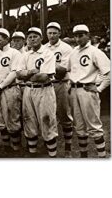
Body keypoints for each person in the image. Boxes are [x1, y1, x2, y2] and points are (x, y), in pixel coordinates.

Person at [68, 24, 110, 158]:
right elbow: (69, 70)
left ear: (88, 35)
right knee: (79, 127)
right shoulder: (73, 51)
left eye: (81, 35)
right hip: (74, 90)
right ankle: (83, 157)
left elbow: (108, 73)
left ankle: (102, 156)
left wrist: (98, 88)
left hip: (88, 90)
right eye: (76, 36)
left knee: (94, 126)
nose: (78, 39)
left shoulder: (95, 51)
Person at [17, 27, 58, 157]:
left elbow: (44, 77)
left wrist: (26, 74)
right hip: (28, 90)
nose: (32, 39)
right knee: (29, 121)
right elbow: (18, 74)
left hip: (44, 89)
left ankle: (52, 155)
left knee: (47, 120)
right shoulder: (25, 55)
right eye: (30, 37)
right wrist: (31, 72)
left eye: (35, 36)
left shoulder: (47, 53)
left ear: (41, 38)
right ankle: (32, 154)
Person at [0, 28, 22, 152]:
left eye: (0, 40)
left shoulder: (14, 53)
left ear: (7, 39)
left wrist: (1, 86)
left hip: (9, 88)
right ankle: (7, 146)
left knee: (13, 117)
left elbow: (15, 72)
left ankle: (16, 147)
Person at [44, 22, 73, 157]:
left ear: (59, 33)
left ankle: (68, 146)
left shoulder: (66, 48)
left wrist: (48, 63)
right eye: (49, 33)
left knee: (64, 115)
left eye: (54, 33)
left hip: (61, 83)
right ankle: (51, 144)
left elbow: (62, 70)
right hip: (48, 84)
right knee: (49, 115)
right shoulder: (44, 47)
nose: (52, 35)